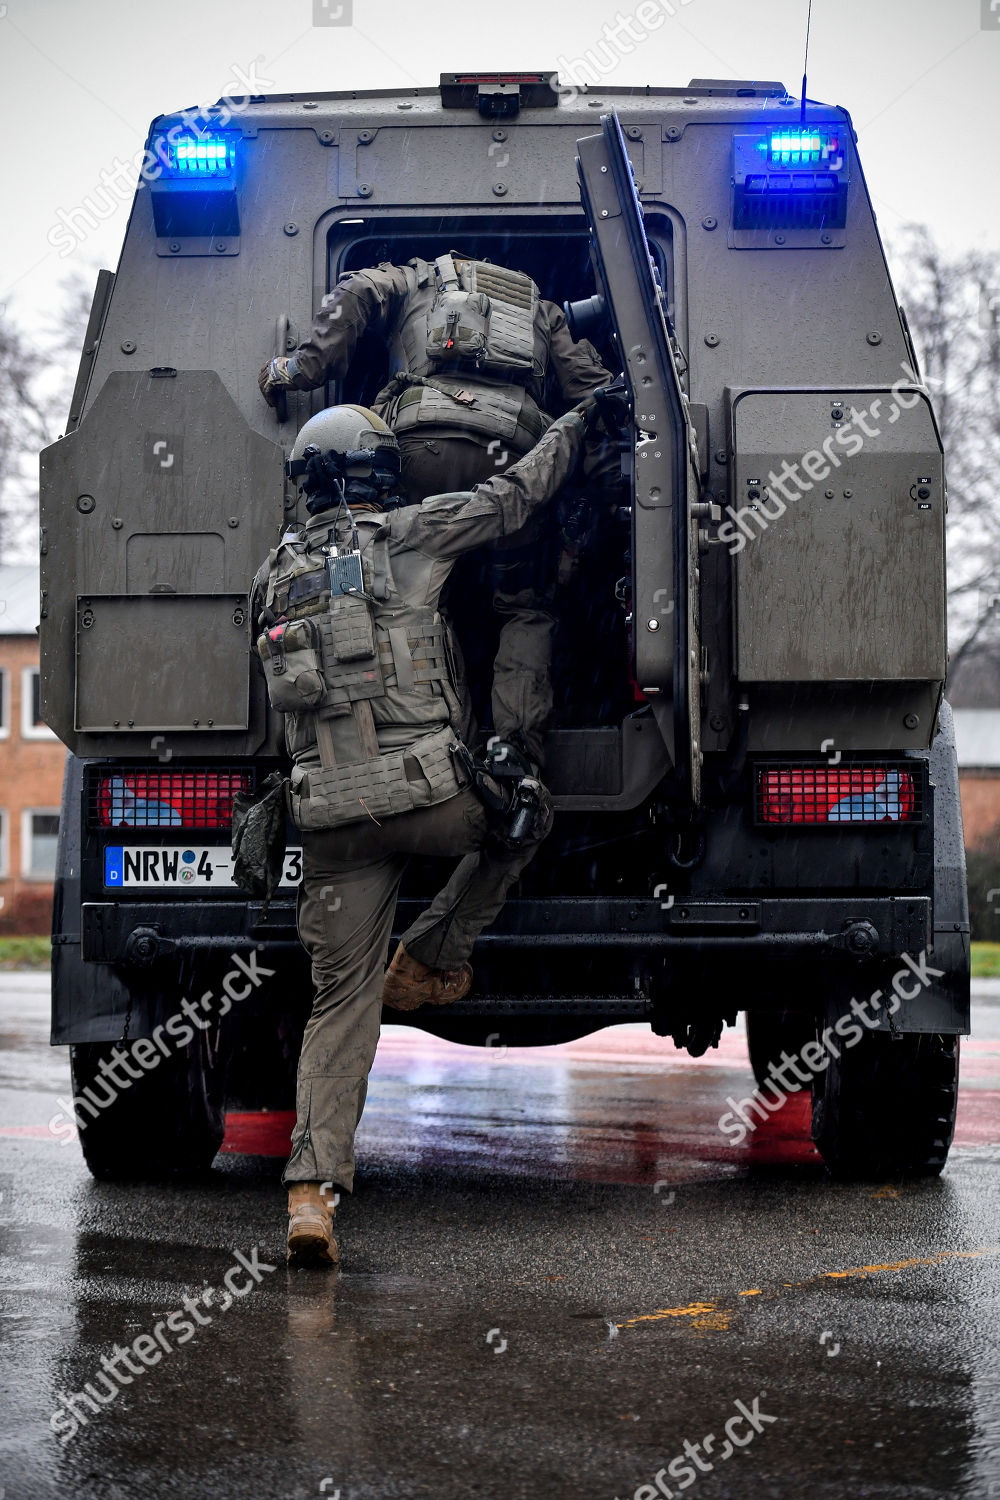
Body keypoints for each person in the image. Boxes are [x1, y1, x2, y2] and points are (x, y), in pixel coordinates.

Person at [251, 398, 603, 1266]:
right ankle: (431, 957)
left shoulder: (271, 575)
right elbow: (514, 497)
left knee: (338, 1005)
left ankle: (311, 1194)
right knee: (523, 818)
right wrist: (574, 425)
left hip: (331, 821)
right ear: (383, 471)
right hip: (432, 799)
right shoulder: (412, 533)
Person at [259, 252, 614, 773]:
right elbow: (597, 392)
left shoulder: (411, 278)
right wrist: (601, 482)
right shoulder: (542, 307)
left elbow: (354, 295)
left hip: (420, 449)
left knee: (406, 595)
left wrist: (298, 369)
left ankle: (425, 739)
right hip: (513, 451)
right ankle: (513, 750)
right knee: (524, 608)